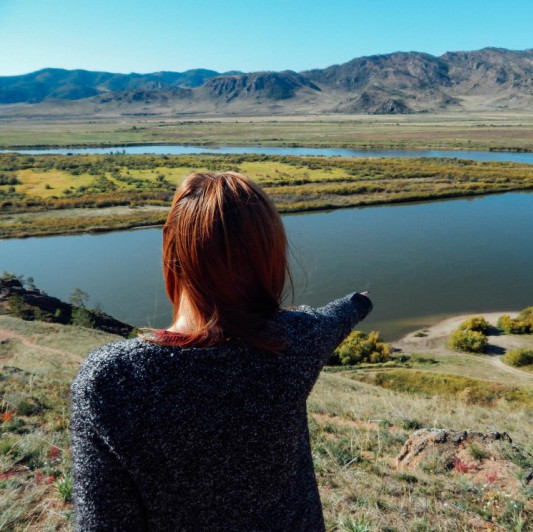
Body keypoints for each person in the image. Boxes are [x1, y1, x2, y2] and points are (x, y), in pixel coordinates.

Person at [71, 171, 372, 531]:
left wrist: (355, 306)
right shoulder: (294, 343)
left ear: (172, 254)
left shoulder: (111, 381)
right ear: (269, 260)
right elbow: (337, 316)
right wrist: (360, 304)